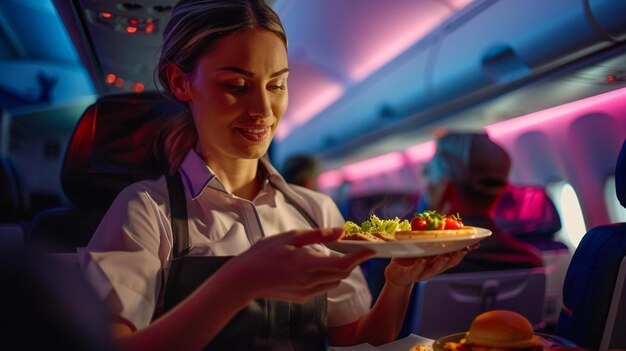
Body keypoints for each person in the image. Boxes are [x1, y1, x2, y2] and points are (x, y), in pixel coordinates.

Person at [77, 1, 477, 349]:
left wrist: (398, 283)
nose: (263, 111)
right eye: (237, 85)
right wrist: (237, 284)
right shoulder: (147, 212)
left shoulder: (315, 211)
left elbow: (358, 343)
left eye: (277, 85)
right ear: (182, 82)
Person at [419, 130, 544, 273]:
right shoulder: (530, 262)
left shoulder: (421, 266)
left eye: (429, 178)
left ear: (447, 189)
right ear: (502, 190)